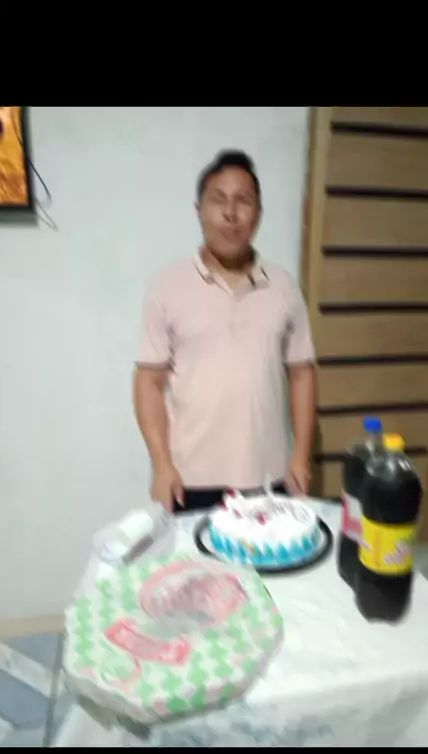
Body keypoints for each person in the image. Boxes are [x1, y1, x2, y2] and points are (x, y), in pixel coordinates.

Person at [134, 150, 316, 514]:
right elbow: (147, 383)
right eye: (218, 200)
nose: (231, 213)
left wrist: (301, 456)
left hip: (270, 477)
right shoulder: (168, 286)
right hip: (189, 480)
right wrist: (162, 464)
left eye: (243, 201)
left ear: (258, 214)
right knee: (194, 555)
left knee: (275, 553)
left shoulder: (283, 286)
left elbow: (302, 374)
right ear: (198, 209)